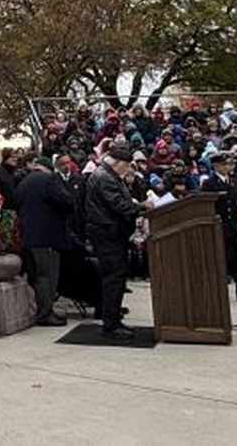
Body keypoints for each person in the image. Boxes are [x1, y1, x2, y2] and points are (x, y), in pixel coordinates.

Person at [83, 145, 142, 341]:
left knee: (116, 278)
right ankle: (110, 325)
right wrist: (142, 206)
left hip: (111, 233)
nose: (128, 170)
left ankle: (114, 319)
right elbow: (118, 205)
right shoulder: (105, 177)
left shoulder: (107, 175)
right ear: (117, 163)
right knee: (113, 278)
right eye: (126, 166)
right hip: (107, 234)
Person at [14, 156, 75, 327]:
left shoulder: (24, 182)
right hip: (47, 236)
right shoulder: (48, 180)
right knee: (48, 277)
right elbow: (67, 201)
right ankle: (45, 313)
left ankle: (44, 311)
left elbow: (16, 202)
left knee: (38, 276)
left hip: (29, 237)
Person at [201, 151, 237, 303]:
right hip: (220, 227)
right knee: (220, 261)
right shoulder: (209, 183)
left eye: (230, 164)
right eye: (225, 164)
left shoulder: (235, 181)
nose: (228, 167)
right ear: (216, 166)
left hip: (236, 227)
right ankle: (217, 295)